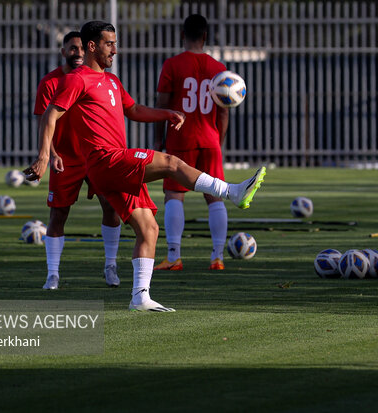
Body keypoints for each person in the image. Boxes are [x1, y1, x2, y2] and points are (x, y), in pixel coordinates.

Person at [24, 21, 265, 312]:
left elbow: (134, 110)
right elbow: (50, 114)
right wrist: (44, 156)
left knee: (149, 228)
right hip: (105, 160)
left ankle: (140, 296)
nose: (115, 49)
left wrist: (167, 113)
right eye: (108, 43)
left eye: (115, 43)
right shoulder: (78, 79)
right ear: (92, 46)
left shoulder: (112, 81)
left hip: (114, 163)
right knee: (171, 163)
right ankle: (231, 192)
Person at [34, 31, 122, 290]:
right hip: (66, 159)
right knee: (58, 213)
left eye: (81, 49)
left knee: (111, 207)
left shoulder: (101, 79)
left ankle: (110, 265)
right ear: (63, 51)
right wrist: (51, 153)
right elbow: (43, 120)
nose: (78, 54)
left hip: (96, 156)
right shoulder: (50, 82)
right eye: (73, 49)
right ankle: (53, 274)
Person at [153, 14, 229, 272]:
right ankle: (217, 257)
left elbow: (162, 107)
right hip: (210, 139)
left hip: (180, 137)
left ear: (182, 35)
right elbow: (224, 111)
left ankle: (174, 256)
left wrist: (157, 140)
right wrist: (219, 140)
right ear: (205, 37)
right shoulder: (219, 68)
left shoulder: (172, 65)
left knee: (174, 194)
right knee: (215, 197)